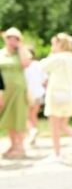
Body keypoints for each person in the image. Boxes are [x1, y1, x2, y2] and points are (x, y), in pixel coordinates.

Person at [39, 33, 72, 163]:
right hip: (71, 96)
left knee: (54, 126)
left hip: (56, 95)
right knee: (63, 125)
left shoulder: (58, 58)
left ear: (59, 44)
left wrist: (51, 54)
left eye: (53, 44)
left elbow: (42, 66)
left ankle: (57, 154)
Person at [0, 27, 31, 159]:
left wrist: (20, 47)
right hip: (4, 91)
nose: (12, 40)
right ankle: (13, 145)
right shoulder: (1, 53)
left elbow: (26, 64)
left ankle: (20, 146)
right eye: (9, 38)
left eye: (15, 38)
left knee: (19, 117)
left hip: (18, 91)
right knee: (8, 119)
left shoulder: (21, 53)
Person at [24, 48, 47, 147]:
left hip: (27, 93)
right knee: (33, 115)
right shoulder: (39, 65)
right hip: (39, 93)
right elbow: (45, 80)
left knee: (25, 116)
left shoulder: (24, 66)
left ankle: (31, 131)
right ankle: (33, 137)